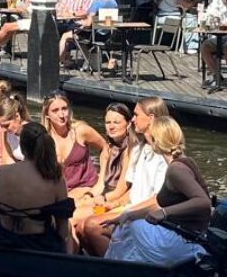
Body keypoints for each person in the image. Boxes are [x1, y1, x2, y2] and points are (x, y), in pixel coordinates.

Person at [100, 116, 212, 267]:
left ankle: (113, 271)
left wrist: (165, 212)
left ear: (156, 140)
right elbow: (157, 204)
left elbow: (203, 202)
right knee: (128, 225)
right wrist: (125, 216)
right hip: (184, 235)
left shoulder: (175, 169)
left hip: (187, 240)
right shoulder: (184, 162)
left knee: (134, 227)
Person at [76, 98, 171, 256]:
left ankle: (118, 269)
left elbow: (157, 200)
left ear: (151, 118)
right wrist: (114, 204)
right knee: (81, 227)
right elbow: (133, 190)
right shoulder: (139, 150)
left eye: (136, 115)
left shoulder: (163, 155)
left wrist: (126, 213)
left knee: (92, 225)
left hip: (146, 215)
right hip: (131, 208)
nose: (133, 119)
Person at [0, 122, 74, 253]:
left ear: (22, 146)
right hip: (40, 248)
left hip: (4, 242)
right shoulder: (55, 178)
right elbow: (62, 231)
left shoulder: (1, 172)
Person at [72, 103, 137, 236]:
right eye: (108, 122)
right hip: (104, 197)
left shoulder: (131, 151)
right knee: (69, 206)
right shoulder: (108, 149)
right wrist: (89, 196)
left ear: (128, 124)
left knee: (71, 217)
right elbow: (101, 183)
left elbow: (120, 190)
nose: (111, 126)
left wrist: (100, 199)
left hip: (117, 204)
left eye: (116, 122)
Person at [41, 92, 107, 205]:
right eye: (55, 110)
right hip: (62, 194)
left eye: (64, 109)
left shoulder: (80, 131)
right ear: (47, 114)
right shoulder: (43, 139)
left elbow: (106, 147)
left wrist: (102, 180)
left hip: (87, 190)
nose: (61, 115)